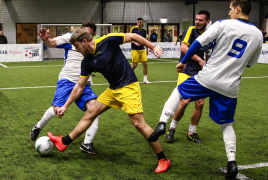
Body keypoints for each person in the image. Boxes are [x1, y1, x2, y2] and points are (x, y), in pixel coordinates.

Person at [152, 0, 262, 178]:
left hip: (208, 78)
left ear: (238, 9)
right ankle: (232, 162)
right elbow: (251, 64)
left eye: (230, 9)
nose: (229, 12)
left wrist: (183, 62)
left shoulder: (223, 24)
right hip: (230, 85)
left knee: (180, 91)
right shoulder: (258, 34)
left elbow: (196, 44)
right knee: (226, 124)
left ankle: (163, 123)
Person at [47, 28, 171, 173]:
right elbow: (79, 86)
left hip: (129, 86)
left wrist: (153, 46)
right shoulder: (86, 61)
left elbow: (133, 36)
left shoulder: (108, 40)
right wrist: (66, 105)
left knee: (138, 123)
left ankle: (163, 159)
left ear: (84, 42)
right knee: (91, 112)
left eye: (77, 46)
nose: (76, 50)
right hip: (113, 90)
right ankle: (64, 142)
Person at [30, 20, 100, 155]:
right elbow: (52, 43)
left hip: (83, 82)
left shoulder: (95, 44)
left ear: (94, 34)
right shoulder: (71, 37)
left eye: (89, 35)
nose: (85, 39)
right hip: (67, 80)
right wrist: (46, 40)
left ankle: (87, 143)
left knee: (95, 109)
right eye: (84, 34)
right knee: (57, 109)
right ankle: (38, 126)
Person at [148, 10, 211, 144]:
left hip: (200, 74)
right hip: (186, 70)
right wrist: (200, 60)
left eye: (201, 20)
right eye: (197, 19)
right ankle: (171, 129)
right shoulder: (191, 30)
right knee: (185, 101)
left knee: (200, 103)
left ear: (207, 22)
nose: (198, 22)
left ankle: (192, 132)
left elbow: (208, 53)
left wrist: (207, 64)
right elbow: (183, 48)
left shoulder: (209, 35)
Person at [130, 18, 150, 84]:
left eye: (140, 22)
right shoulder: (133, 29)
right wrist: (135, 43)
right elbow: (130, 38)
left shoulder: (144, 30)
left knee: (145, 63)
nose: (139, 23)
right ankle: (127, 74)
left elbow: (145, 40)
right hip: (134, 49)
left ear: (142, 23)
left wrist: (147, 49)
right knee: (135, 65)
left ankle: (145, 79)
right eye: (138, 22)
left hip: (142, 49)